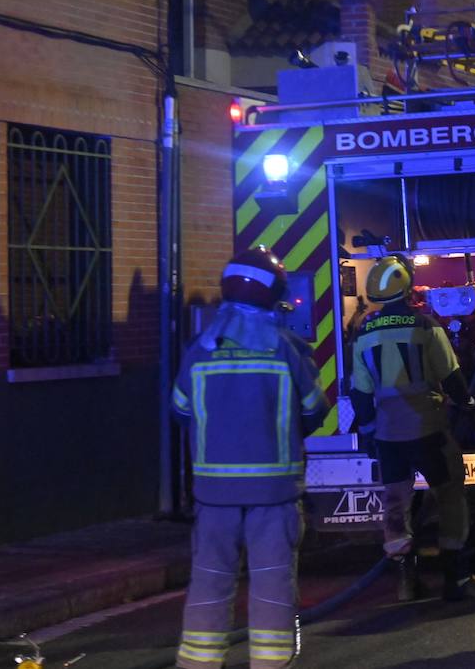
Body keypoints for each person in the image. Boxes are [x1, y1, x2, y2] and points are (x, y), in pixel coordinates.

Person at [172, 247, 328, 669]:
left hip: (213, 496)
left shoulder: (200, 350)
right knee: (273, 586)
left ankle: (199, 664)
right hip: (274, 496)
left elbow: (181, 410)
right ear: (273, 294)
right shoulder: (285, 349)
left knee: (209, 582)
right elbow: (315, 409)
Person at [350, 256, 475, 599]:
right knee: (449, 498)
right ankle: (457, 581)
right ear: (406, 288)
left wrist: (370, 430)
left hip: (388, 435)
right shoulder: (425, 326)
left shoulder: (363, 334)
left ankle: (405, 581)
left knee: (396, 504)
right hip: (429, 429)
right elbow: (452, 377)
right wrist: (469, 407)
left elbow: (360, 392)